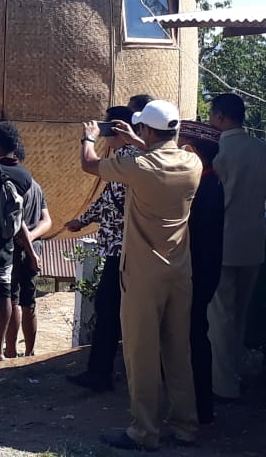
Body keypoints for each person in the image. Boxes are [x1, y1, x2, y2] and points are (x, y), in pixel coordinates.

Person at [81, 99, 202, 451]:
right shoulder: (191, 162)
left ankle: (145, 430)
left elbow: (90, 164)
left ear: (147, 130)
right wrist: (138, 141)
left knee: (141, 352)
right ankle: (185, 425)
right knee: (178, 350)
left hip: (142, 274)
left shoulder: (139, 165)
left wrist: (89, 138)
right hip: (180, 270)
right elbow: (165, 151)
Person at [206, 92, 266, 401]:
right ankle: (235, 369)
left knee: (220, 316)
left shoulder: (213, 149)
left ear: (221, 117)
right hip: (254, 244)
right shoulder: (263, 149)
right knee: (240, 312)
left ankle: (223, 385)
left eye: (212, 115)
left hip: (219, 243)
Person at [65, 105, 138, 392]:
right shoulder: (132, 157)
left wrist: (88, 139)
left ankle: (101, 372)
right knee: (111, 309)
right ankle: (104, 369)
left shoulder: (126, 157)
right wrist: (81, 221)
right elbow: (109, 198)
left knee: (108, 309)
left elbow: (89, 164)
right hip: (123, 247)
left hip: (121, 249)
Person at [0, 122, 39, 363]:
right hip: (6, 246)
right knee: (4, 296)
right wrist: (32, 253)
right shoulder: (25, 177)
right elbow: (19, 218)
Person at [177, 120, 225, 426]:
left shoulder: (203, 188)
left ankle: (198, 408)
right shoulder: (209, 181)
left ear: (191, 151)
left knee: (192, 338)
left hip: (196, 274)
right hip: (202, 272)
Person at [6, 149, 51, 358]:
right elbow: (47, 220)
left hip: (16, 248)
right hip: (35, 247)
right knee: (29, 302)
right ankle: (30, 352)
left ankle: (12, 349)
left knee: (13, 300)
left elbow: (17, 220)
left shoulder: (15, 186)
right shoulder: (37, 187)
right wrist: (33, 238)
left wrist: (27, 241)